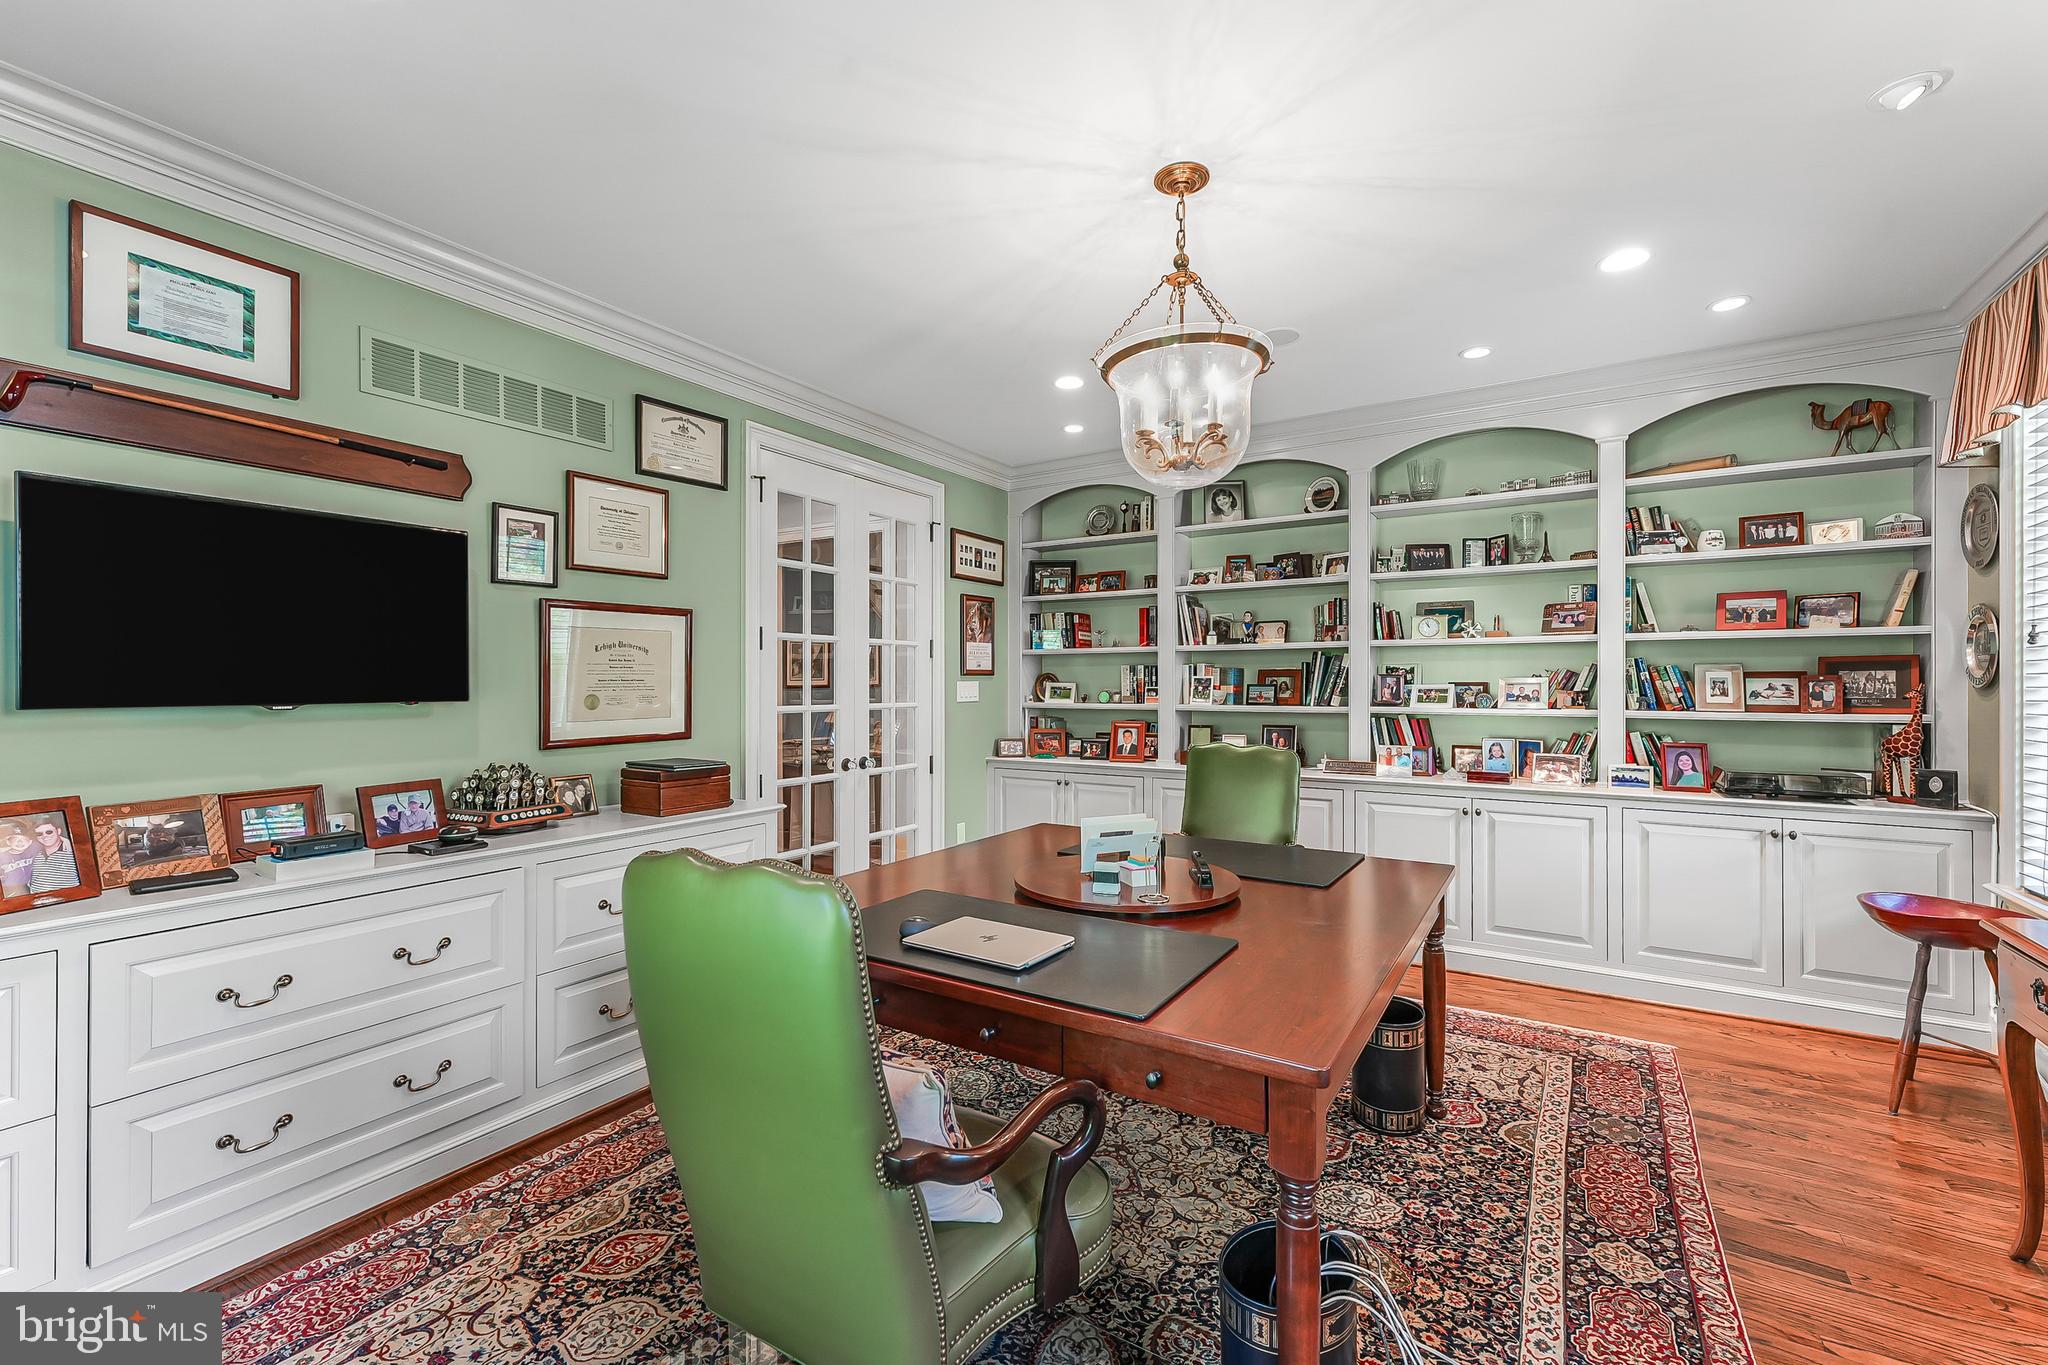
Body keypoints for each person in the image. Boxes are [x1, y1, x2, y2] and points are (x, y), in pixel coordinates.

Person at [28, 818, 80, 894]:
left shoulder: (73, 852)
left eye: (49, 832)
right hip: (36, 900)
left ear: (58, 831)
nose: (44, 836)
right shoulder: (35, 852)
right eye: (39, 834)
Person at [0, 822, 35, 899]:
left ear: (30, 842)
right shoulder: (2, 857)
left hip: (29, 889)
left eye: (24, 839)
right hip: (9, 891)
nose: (20, 842)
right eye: (15, 839)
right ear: (8, 841)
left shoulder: (33, 851)